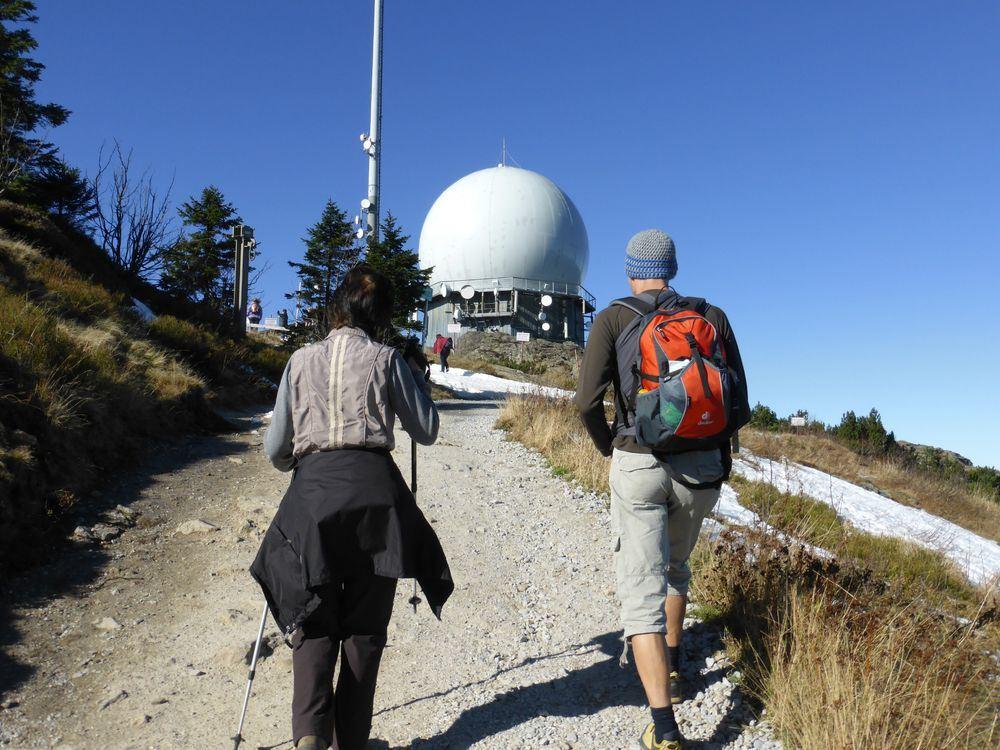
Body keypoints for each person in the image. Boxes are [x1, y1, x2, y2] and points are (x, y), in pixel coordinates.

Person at [251, 264, 454, 750]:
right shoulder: (386, 359)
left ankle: (309, 738)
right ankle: (353, 742)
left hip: (314, 499)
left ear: (338, 305)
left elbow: (276, 451)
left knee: (314, 621)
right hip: (375, 503)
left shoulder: (299, 361)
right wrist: (415, 380)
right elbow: (426, 430)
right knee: (364, 632)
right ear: (379, 315)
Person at [574, 230, 749, 750]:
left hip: (638, 463)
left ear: (630, 269)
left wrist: (610, 445)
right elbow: (737, 398)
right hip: (701, 470)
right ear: (672, 267)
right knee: (676, 567)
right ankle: (673, 665)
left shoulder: (612, 317)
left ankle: (665, 728)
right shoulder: (710, 317)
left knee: (640, 594)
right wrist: (719, 454)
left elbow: (587, 400)